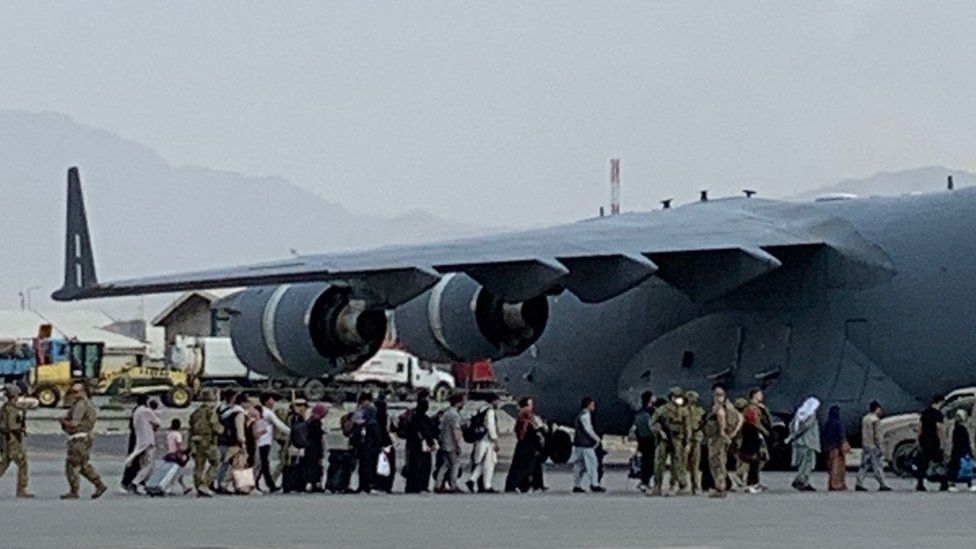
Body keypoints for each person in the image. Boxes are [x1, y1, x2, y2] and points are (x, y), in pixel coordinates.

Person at [58, 382, 107, 499]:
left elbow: (75, 423)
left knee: (72, 464)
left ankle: (74, 490)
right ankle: (98, 484)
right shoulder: (87, 404)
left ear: (83, 392)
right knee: (82, 464)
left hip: (79, 438)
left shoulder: (81, 405)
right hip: (85, 437)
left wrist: (63, 422)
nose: (73, 395)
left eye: (76, 392)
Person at [650, 387, 689, 496]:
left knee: (677, 463)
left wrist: (687, 442)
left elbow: (687, 428)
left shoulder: (684, 411)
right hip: (664, 439)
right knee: (659, 462)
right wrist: (660, 431)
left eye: (680, 397)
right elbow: (652, 423)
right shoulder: (662, 410)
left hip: (677, 439)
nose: (679, 399)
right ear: (671, 398)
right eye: (677, 397)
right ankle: (657, 485)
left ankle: (676, 484)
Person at [705, 384, 741, 499]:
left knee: (717, 463)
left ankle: (720, 488)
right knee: (720, 462)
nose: (717, 397)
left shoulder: (719, 408)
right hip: (724, 437)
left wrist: (722, 432)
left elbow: (721, 418)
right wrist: (734, 432)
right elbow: (740, 418)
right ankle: (720, 486)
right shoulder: (730, 407)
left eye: (718, 395)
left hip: (717, 438)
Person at [0, 383, 36, 497]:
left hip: (7, 440)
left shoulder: (6, 407)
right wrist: (20, 428)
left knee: (4, 463)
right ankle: (21, 489)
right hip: (13, 440)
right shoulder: (11, 409)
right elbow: (11, 426)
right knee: (22, 463)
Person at [505, 397, 545, 493]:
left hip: (525, 446)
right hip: (528, 447)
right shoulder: (527, 421)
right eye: (530, 404)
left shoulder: (523, 419)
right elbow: (531, 435)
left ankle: (531, 485)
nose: (531, 407)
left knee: (529, 466)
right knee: (523, 467)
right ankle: (516, 485)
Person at [188, 391, 222, 497]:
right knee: (215, 463)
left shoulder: (195, 413)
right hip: (208, 440)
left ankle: (198, 485)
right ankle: (205, 484)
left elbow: (191, 427)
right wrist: (222, 430)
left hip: (196, 441)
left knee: (199, 466)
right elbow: (214, 425)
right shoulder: (210, 412)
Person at [466, 393, 501, 493]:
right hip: (488, 441)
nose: (498, 403)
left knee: (481, 462)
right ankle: (487, 485)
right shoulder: (490, 411)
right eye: (497, 400)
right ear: (493, 400)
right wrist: (495, 440)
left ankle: (472, 480)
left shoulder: (481, 409)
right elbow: (491, 426)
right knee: (490, 463)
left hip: (480, 439)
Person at [125, 396, 162, 491]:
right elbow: (157, 422)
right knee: (149, 464)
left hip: (140, 440)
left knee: (142, 463)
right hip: (148, 440)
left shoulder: (136, 411)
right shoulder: (146, 411)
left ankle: (140, 483)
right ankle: (136, 482)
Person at [255, 393, 290, 493]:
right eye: (271, 400)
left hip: (258, 440)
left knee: (262, 464)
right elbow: (279, 425)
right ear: (266, 401)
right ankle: (269, 484)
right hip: (264, 441)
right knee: (263, 464)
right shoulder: (268, 413)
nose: (273, 402)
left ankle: (265, 483)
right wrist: (292, 432)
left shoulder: (258, 410)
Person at [855, 401, 891, 492]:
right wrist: (880, 447)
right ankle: (882, 484)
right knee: (878, 465)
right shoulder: (875, 420)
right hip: (873, 446)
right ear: (877, 409)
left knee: (864, 465)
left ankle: (859, 482)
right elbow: (877, 435)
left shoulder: (865, 418)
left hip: (866, 444)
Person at [404, 398, 438, 493]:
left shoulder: (412, 417)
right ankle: (421, 486)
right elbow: (426, 431)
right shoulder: (423, 418)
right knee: (424, 466)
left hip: (412, 444)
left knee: (413, 466)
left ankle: (411, 486)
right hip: (422, 445)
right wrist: (431, 442)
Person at [571, 397, 605, 493]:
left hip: (578, 444)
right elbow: (588, 429)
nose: (594, 407)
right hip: (586, 445)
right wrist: (597, 439)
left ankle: (576, 484)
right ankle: (595, 484)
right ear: (588, 405)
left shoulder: (579, 415)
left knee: (579, 465)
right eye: (592, 405)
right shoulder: (586, 415)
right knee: (593, 464)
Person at [739, 388, 770, 494]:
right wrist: (764, 431)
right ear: (754, 395)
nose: (762, 396)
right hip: (752, 434)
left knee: (758, 459)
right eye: (759, 394)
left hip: (754, 434)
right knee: (754, 459)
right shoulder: (752, 408)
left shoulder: (758, 407)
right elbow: (754, 422)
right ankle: (751, 484)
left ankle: (754, 483)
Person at [916, 394, 949, 491]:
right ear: (940, 402)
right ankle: (943, 483)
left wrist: (917, 440)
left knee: (923, 463)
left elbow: (920, 428)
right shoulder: (938, 414)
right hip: (934, 441)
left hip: (924, 440)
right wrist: (943, 441)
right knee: (939, 462)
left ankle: (920, 483)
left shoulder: (925, 413)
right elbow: (939, 429)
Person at [787, 397, 820, 492]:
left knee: (802, 463)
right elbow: (806, 426)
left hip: (799, 442)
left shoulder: (799, 413)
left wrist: (792, 435)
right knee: (808, 463)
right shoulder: (811, 415)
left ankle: (805, 482)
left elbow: (791, 425)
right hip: (809, 442)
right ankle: (800, 480)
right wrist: (794, 435)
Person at [217, 393, 248, 493]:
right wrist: (242, 441)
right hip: (234, 442)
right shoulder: (238, 413)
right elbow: (239, 430)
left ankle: (220, 484)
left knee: (224, 464)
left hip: (222, 439)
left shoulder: (222, 410)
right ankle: (238, 486)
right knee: (238, 464)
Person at [434, 394, 466, 493]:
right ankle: (453, 485)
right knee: (455, 463)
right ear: (458, 402)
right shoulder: (455, 415)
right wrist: (458, 445)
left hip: (444, 442)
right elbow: (455, 430)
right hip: (451, 443)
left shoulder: (446, 413)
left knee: (445, 464)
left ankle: (438, 485)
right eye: (463, 401)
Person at [351, 392, 381, 494]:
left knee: (365, 464)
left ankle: (364, 485)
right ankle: (368, 485)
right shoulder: (371, 410)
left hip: (365, 441)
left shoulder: (364, 410)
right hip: (369, 441)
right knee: (368, 464)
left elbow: (356, 421)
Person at [632, 390, 656, 492]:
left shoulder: (639, 412)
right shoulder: (649, 413)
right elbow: (651, 428)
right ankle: (645, 481)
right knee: (649, 462)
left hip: (643, 440)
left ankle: (644, 481)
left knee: (646, 461)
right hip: (650, 440)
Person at [214, 389, 238, 490]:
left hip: (220, 438)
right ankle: (221, 485)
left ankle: (216, 483)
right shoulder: (232, 411)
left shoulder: (219, 408)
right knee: (226, 463)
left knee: (221, 463)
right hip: (228, 439)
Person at [822, 405, 850, 491]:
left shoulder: (827, 423)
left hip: (829, 448)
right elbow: (841, 436)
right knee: (838, 468)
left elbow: (823, 436)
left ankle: (831, 484)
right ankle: (837, 485)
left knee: (831, 468)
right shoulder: (839, 423)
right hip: (837, 449)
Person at [684, 390, 706, 495]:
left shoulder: (700, 411)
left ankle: (695, 486)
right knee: (681, 463)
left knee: (695, 464)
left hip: (696, 438)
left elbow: (703, 423)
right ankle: (681, 484)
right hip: (683, 439)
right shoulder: (682, 411)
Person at [374, 394, 396, 493]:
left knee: (379, 464)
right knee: (388, 465)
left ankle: (379, 484)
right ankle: (387, 485)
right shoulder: (386, 418)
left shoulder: (374, 419)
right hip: (387, 443)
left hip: (378, 443)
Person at [303, 403, 328, 492]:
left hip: (309, 446)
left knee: (310, 465)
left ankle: (310, 483)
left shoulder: (309, 420)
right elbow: (317, 435)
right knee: (316, 465)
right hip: (315, 447)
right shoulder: (317, 421)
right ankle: (315, 483)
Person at [164, 418, 192, 495]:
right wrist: (184, 454)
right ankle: (168, 489)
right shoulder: (177, 434)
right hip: (176, 456)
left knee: (176, 472)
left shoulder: (169, 434)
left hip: (169, 454)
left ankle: (184, 487)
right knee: (177, 472)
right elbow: (179, 446)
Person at [948, 409, 974, 492]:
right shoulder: (963, 429)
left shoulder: (955, 428)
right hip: (963, 451)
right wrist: (970, 452)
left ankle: (952, 484)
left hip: (956, 451)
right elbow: (966, 442)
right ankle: (969, 483)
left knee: (955, 468)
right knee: (966, 468)